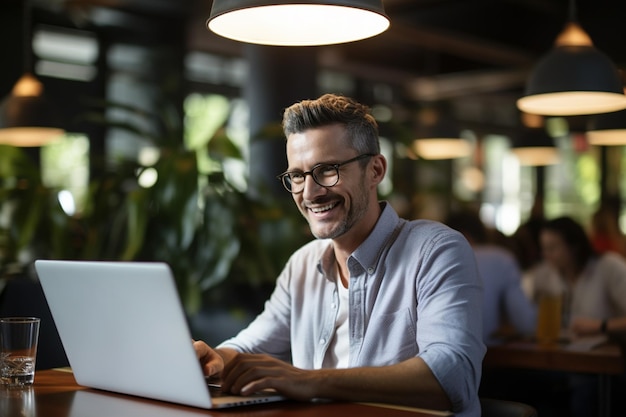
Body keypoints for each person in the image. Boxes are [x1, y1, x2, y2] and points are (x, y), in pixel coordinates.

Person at [192, 93, 485, 416]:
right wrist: (217, 358)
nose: (310, 192)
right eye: (298, 175)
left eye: (327, 170)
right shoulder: (302, 264)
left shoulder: (436, 250)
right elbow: (250, 346)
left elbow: (453, 378)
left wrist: (310, 381)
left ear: (375, 170)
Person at [530, 216, 626, 417]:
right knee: (520, 382)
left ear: (574, 246)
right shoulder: (547, 275)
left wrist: (601, 326)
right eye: (544, 248)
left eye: (553, 247)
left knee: (584, 387)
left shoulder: (608, 267)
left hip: (606, 365)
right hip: (564, 360)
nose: (547, 255)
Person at [445, 209, 537, 345]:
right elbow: (525, 322)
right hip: (487, 356)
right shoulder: (500, 258)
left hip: (435, 358)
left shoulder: (438, 259)